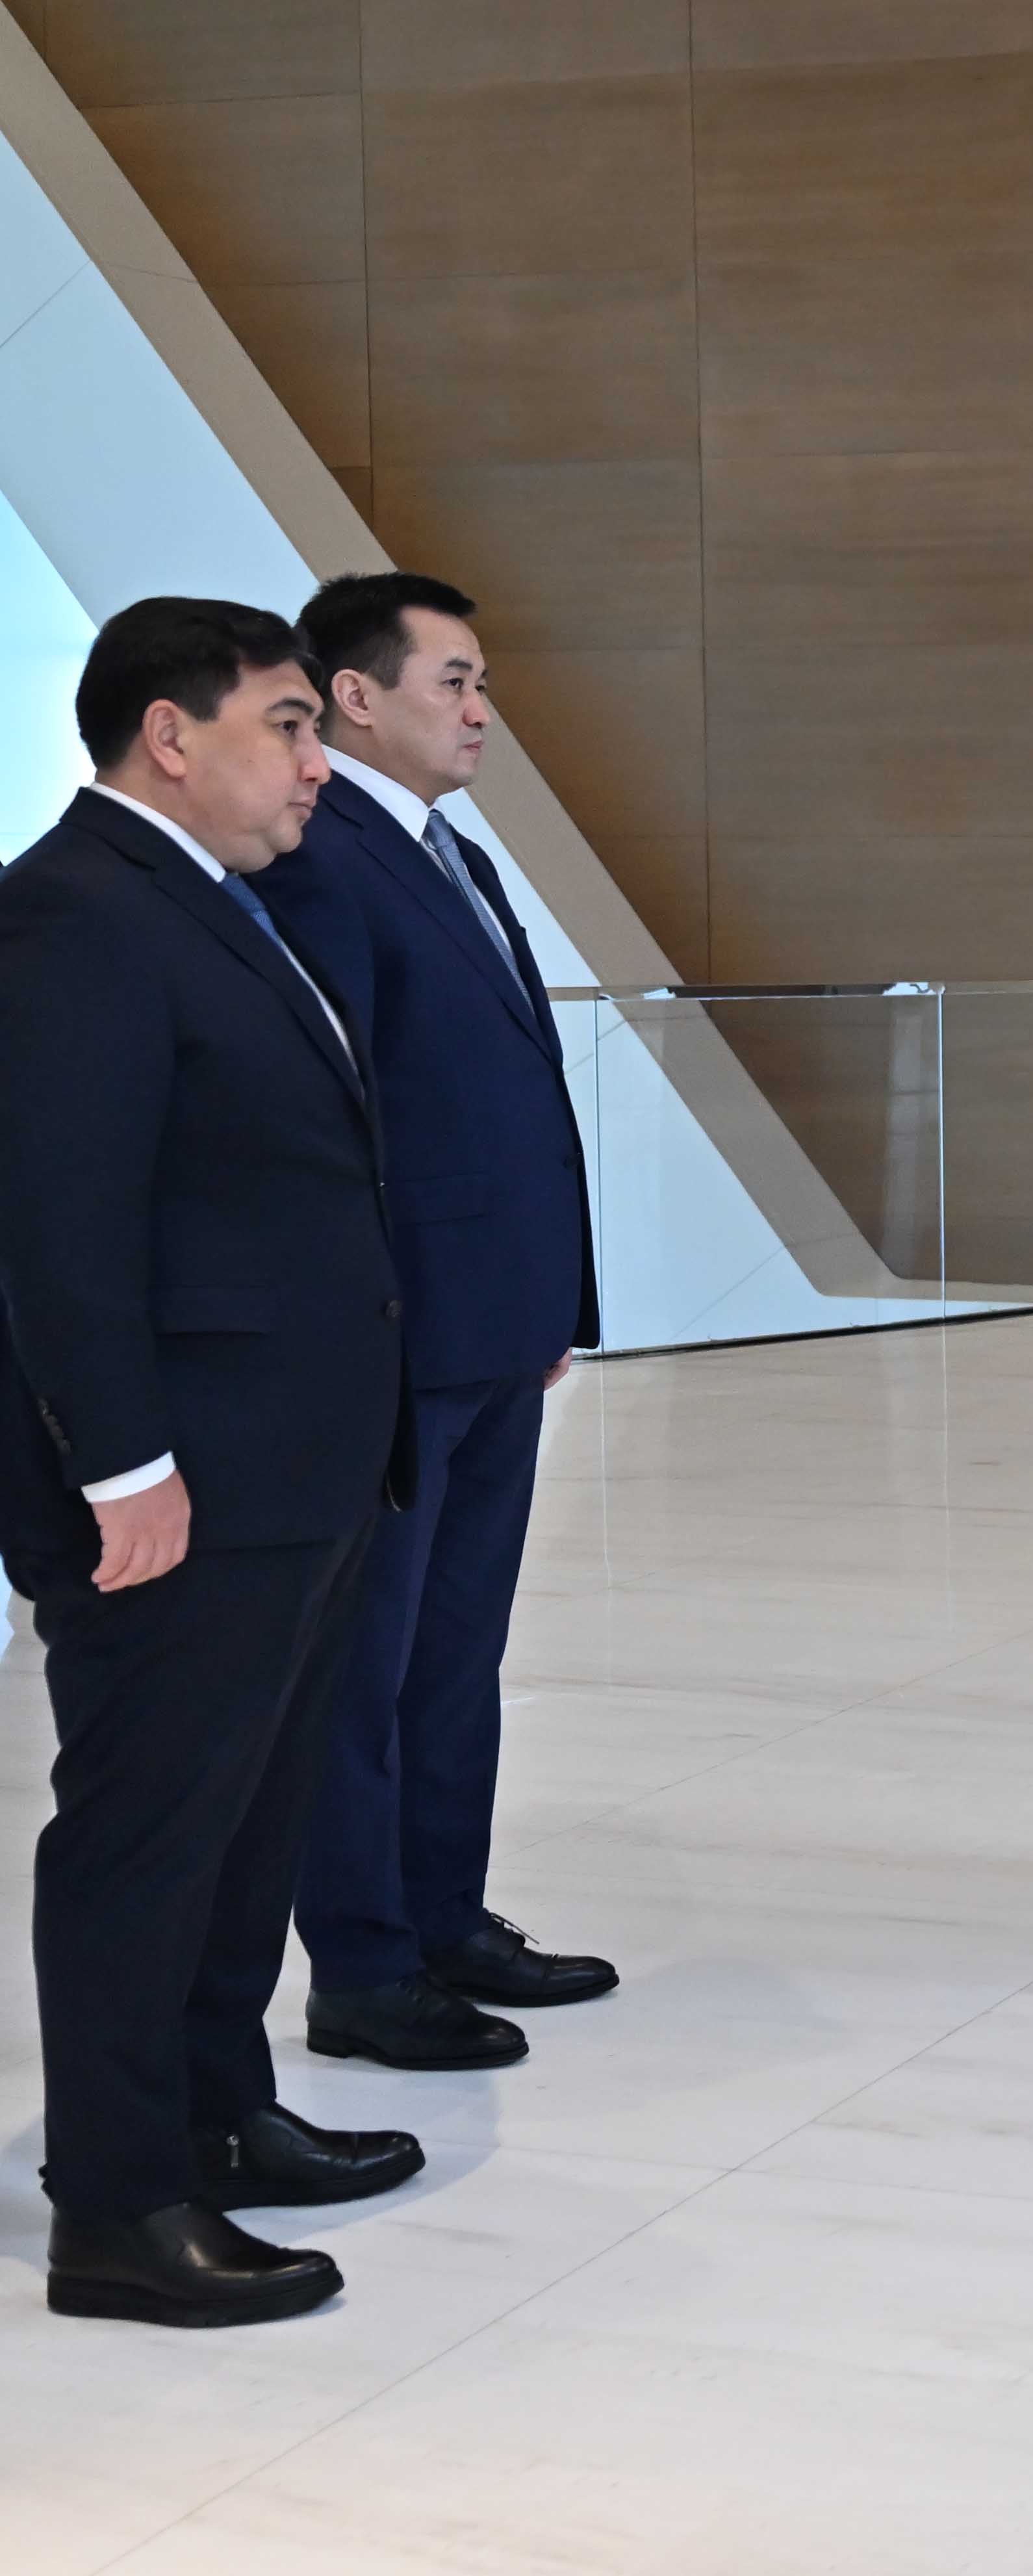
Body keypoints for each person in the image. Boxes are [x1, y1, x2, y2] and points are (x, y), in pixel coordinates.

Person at [0, 599, 420, 2327]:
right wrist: (121, 1468)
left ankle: (215, 2112)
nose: (318, 765)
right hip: (184, 1482)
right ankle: (117, 2202)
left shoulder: (207, 903)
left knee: (247, 1826)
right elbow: (58, 1226)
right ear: (169, 736)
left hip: (289, 1467)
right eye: (288, 727)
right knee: (150, 1837)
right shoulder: (72, 912)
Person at [261, 572, 609, 2075]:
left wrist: (551, 1298)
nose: (481, 711)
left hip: (492, 1330)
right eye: (453, 681)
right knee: (372, 1666)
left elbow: (506, 1094)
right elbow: (331, 1120)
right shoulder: (322, 857)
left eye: (480, 682)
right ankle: (364, 1963)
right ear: (355, 695)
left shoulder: (445, 849)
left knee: (459, 1650)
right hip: (400, 1341)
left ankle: (445, 1916)